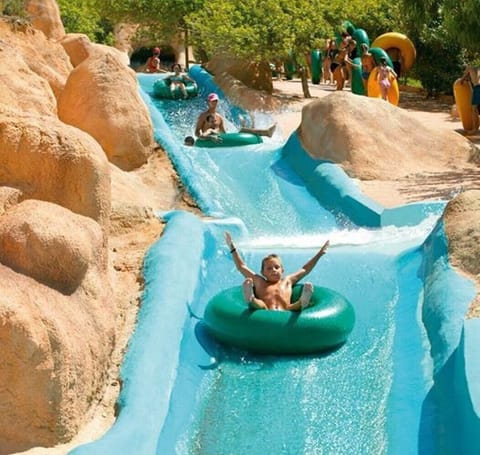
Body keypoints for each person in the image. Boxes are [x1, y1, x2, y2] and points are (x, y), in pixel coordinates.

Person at [225, 232, 330, 311]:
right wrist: (232, 248)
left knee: (292, 306)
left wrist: (320, 254)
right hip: (265, 310)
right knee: (260, 304)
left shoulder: (287, 281)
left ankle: (303, 301)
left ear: (282, 270)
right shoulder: (259, 281)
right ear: (262, 272)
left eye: (276, 267)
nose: (273, 270)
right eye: (269, 268)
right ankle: (250, 298)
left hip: (286, 311)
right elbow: (242, 267)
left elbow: (305, 269)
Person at [195, 93, 276, 142]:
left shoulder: (219, 117)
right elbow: (197, 132)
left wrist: (230, 139)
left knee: (242, 130)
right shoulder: (203, 116)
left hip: (218, 140)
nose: (214, 103)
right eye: (212, 101)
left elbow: (223, 132)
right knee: (242, 130)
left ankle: (266, 132)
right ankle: (266, 132)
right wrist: (208, 138)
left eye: (216, 101)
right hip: (209, 140)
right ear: (208, 102)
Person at [460, 66, 480, 132]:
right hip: (477, 87)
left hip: (478, 88)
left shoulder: (469, 68)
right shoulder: (478, 69)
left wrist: (462, 80)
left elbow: (462, 80)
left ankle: (475, 129)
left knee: (474, 109)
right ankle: (476, 128)